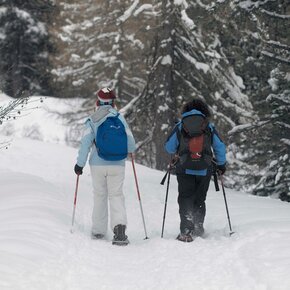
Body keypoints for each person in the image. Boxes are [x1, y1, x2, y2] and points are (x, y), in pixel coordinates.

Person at [74, 87, 136, 246]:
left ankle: (98, 231)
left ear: (98, 101)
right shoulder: (120, 118)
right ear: (113, 102)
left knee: (100, 195)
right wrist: (128, 151)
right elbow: (131, 144)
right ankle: (119, 230)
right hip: (118, 165)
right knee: (116, 195)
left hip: (97, 164)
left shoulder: (92, 119)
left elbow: (86, 143)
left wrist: (79, 165)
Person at [165, 99, 226, 242]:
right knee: (200, 199)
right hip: (204, 169)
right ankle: (198, 227)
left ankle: (186, 231)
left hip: (184, 168)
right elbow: (219, 146)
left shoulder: (181, 126)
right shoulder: (208, 126)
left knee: (185, 197)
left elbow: (169, 147)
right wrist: (221, 165)